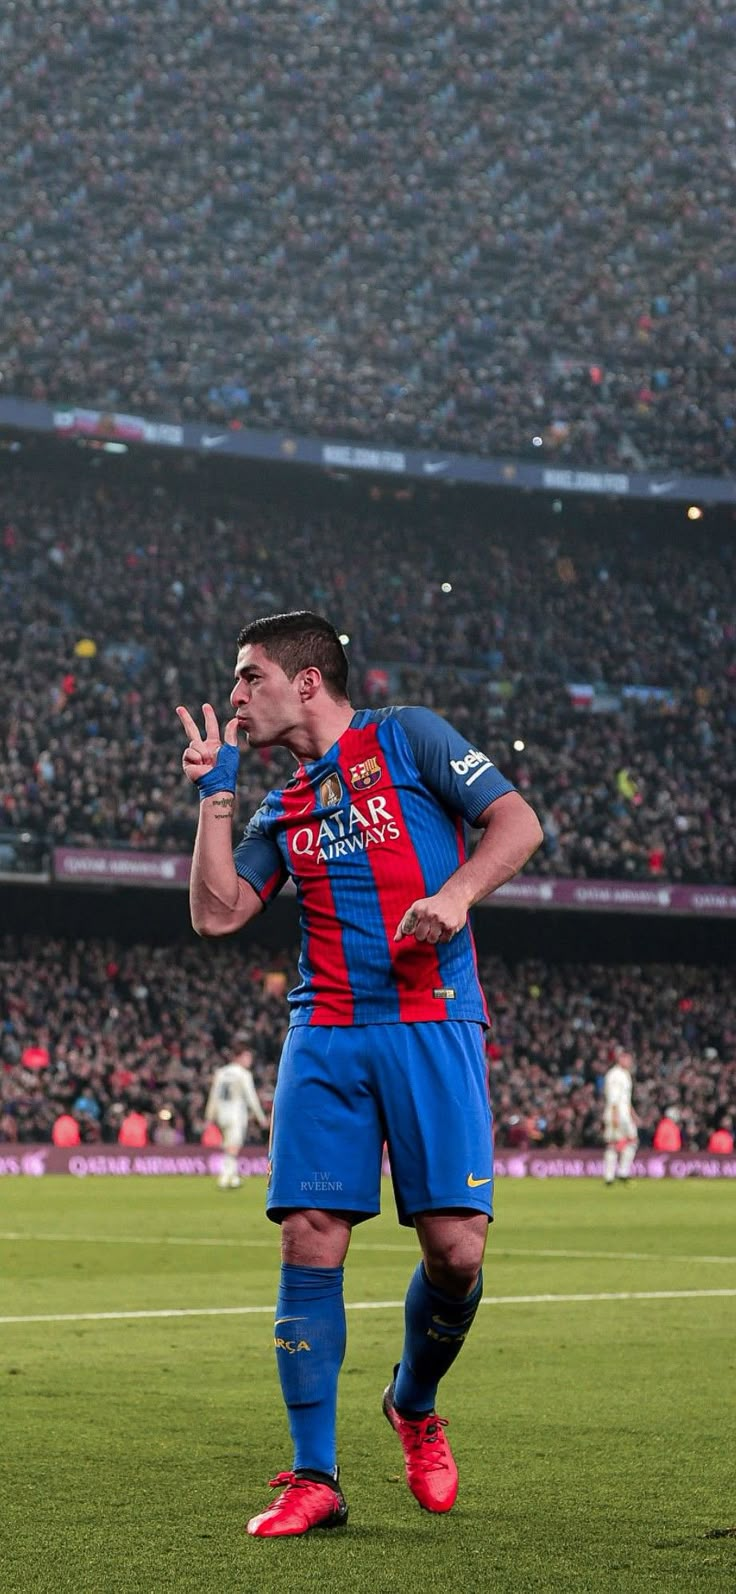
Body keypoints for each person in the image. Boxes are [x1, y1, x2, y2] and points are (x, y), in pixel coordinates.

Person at [176, 610, 542, 1538]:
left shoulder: (409, 736)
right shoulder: (278, 805)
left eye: (247, 677)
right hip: (328, 1031)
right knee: (309, 1237)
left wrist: (456, 895)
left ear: (305, 681)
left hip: (431, 1020)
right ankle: (315, 1477)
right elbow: (219, 914)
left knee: (457, 1251)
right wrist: (216, 797)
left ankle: (412, 1401)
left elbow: (518, 821)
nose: (233, 696)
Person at [204, 1041, 270, 1189]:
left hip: (221, 1114)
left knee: (228, 1145)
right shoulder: (243, 1074)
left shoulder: (221, 1072)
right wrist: (260, 1117)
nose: (249, 1061)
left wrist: (209, 1116)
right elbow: (251, 1097)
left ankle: (233, 1178)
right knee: (233, 1146)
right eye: (247, 1057)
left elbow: (214, 1095)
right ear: (239, 1057)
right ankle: (224, 1177)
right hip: (235, 1114)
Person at [602, 1047, 639, 1184]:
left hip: (624, 1114)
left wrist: (633, 1114)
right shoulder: (614, 1075)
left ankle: (620, 1173)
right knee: (614, 1143)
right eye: (627, 1058)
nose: (630, 1061)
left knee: (629, 1141)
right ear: (620, 1059)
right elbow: (613, 1099)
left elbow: (626, 1099)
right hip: (616, 1114)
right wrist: (615, 1116)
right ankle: (611, 1175)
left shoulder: (625, 1074)